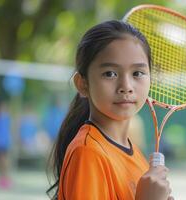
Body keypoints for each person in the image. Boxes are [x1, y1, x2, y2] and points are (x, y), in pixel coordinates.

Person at [46, 20, 173, 200]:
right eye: (110, 74)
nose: (126, 86)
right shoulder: (88, 153)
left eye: (137, 73)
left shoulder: (135, 154)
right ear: (82, 84)